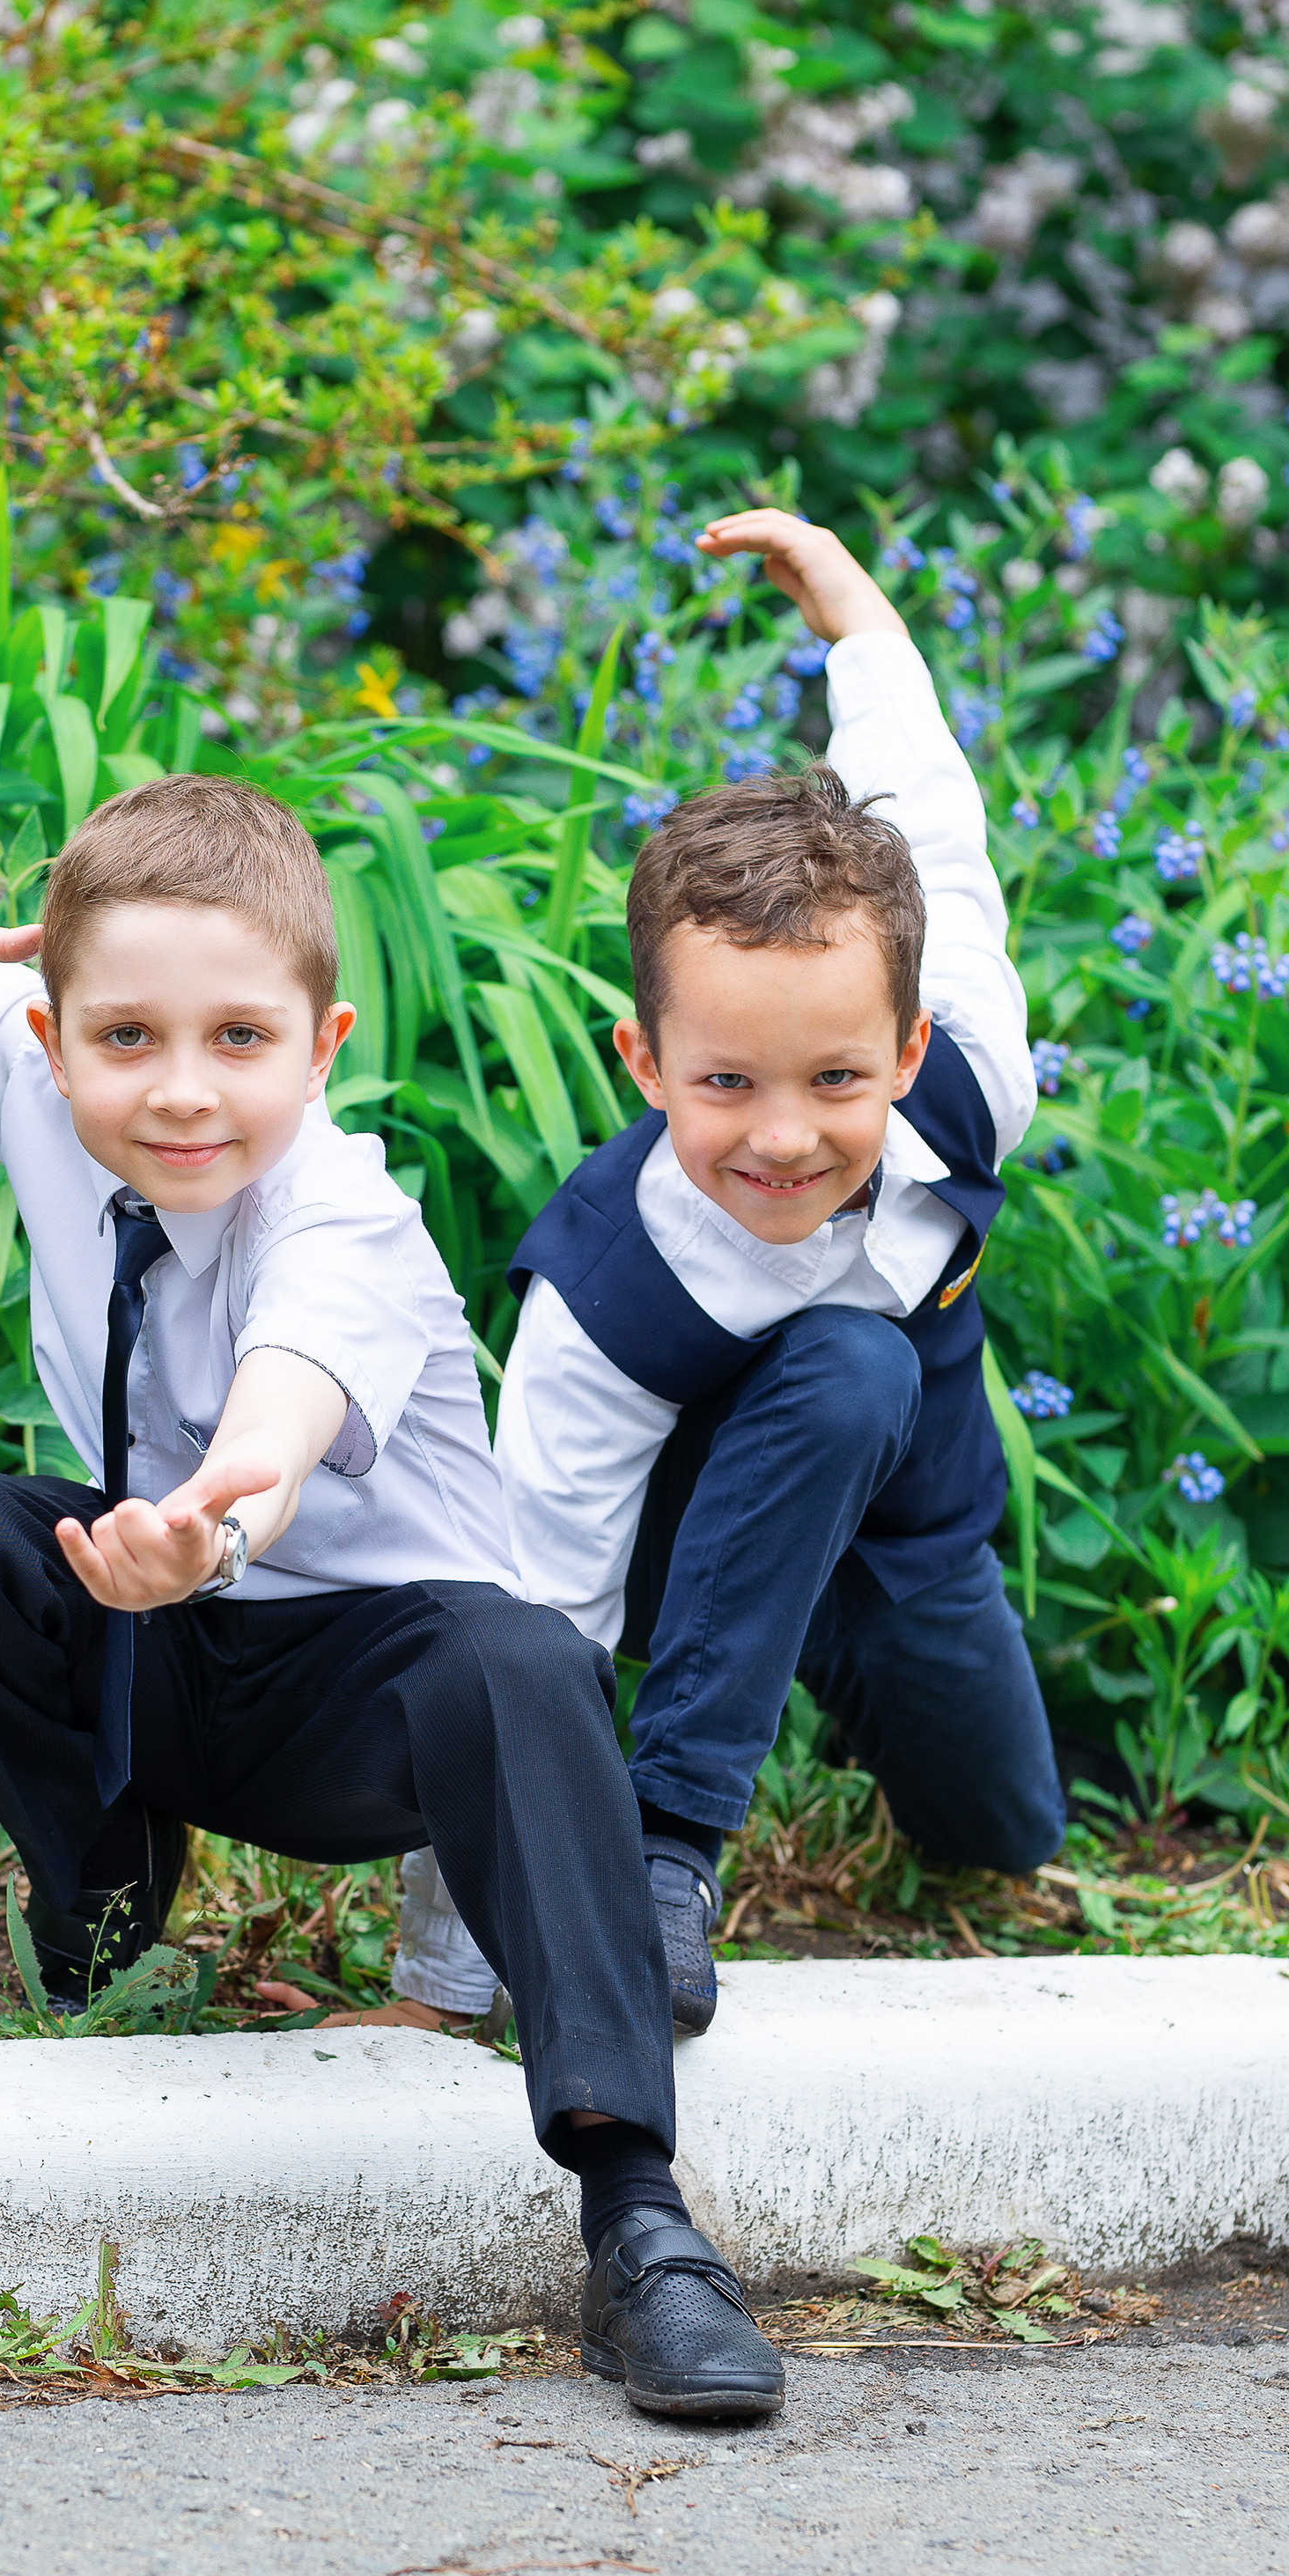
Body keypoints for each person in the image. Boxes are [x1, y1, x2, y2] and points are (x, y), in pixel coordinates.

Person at [0, 775, 784, 2421]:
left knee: (518, 1655)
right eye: (126, 1039)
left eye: (240, 1043)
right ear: (56, 1042)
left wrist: (211, 1526)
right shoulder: (46, 1081)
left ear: (321, 1042)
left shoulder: (344, 1213)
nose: (182, 1093)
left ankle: (639, 2220)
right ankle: (107, 1883)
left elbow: (282, 1407)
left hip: (366, 1706)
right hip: (161, 1633)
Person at [398, 510, 1064, 2035]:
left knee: (1002, 1830)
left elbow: (927, 814)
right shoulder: (608, 1295)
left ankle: (831, 1673)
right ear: (642, 1062)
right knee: (850, 1362)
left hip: (902, 1543)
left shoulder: (968, 1072)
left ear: (906, 1048)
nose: (783, 1136)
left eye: (836, 1077)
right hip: (679, 1545)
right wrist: (459, 1974)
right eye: (723, 1085)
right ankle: (667, 1849)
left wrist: (855, 620)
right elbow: (533, 1617)